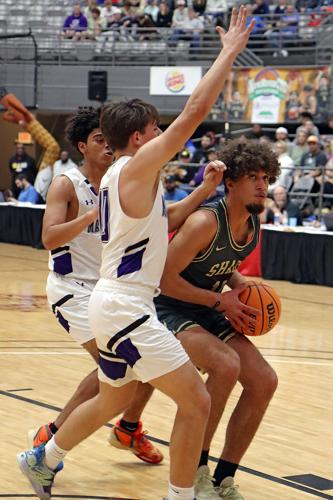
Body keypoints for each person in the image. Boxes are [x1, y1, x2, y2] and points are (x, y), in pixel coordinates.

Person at [17, 9, 255, 500]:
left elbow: (158, 228)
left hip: (112, 302)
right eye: (156, 128)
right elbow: (192, 113)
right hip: (124, 305)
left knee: (115, 396)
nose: (162, 133)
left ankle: (43, 457)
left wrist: (203, 189)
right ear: (143, 136)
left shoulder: (116, 177)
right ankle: (180, 496)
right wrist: (228, 52)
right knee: (197, 401)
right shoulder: (135, 164)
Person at [24, 107, 164, 477]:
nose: (107, 146)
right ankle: (56, 439)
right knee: (120, 367)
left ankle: (120, 429)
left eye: (108, 139)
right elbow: (48, 238)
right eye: (99, 140)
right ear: (83, 147)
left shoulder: (120, 180)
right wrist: (88, 217)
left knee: (140, 364)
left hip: (106, 289)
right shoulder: (67, 184)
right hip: (71, 291)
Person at [155, 139, 280, 499]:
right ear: (231, 183)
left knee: (264, 380)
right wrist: (219, 300)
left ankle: (224, 477)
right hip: (166, 307)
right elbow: (164, 279)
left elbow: (223, 269)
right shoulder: (204, 222)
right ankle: (195, 470)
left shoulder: (252, 224)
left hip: (208, 306)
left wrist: (242, 287)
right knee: (225, 365)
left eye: (266, 177)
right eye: (253, 177)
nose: (262, 185)